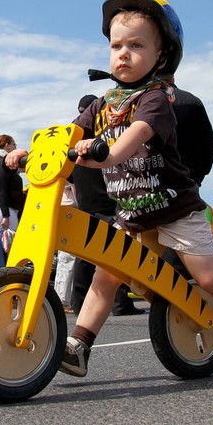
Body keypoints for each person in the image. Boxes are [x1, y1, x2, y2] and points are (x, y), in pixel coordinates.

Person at [9, 0, 213, 379]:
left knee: (210, 278)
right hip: (132, 212)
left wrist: (107, 153)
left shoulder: (155, 100)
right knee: (105, 273)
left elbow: (136, 135)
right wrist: (32, 152)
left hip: (174, 208)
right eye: (116, 46)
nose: (123, 54)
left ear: (161, 55)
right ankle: (79, 344)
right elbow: (68, 134)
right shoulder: (101, 104)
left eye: (136, 45)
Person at [70, 95, 144, 316]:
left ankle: (79, 302)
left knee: (84, 255)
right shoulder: (100, 138)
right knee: (115, 252)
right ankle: (121, 304)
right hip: (105, 201)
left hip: (85, 202)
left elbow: (71, 178)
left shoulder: (73, 139)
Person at [0, 134, 24, 271]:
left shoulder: (2, 162)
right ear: (6, 145)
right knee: (7, 244)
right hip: (2, 208)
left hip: (1, 207)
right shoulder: (1, 162)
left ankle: (0, 272)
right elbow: (0, 190)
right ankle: (2, 272)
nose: (15, 148)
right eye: (14, 145)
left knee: (3, 244)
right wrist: (6, 215)